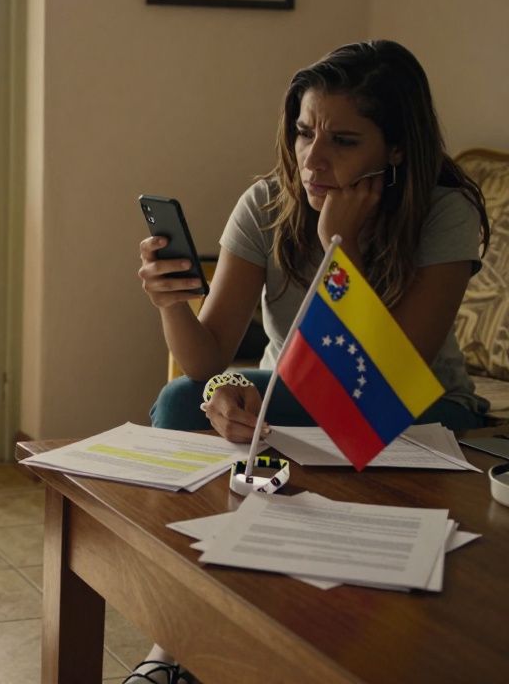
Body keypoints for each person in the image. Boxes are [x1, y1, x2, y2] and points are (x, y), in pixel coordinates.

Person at [130, 39, 490, 684]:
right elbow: (209, 359)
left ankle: (188, 650)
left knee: (203, 402)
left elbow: (387, 375)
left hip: (422, 407)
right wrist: (172, 303)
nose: (313, 159)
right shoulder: (266, 203)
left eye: (343, 141)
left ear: (396, 149)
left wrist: (338, 252)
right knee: (189, 398)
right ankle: (173, 646)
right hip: (291, 391)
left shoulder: (444, 211)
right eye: (303, 132)